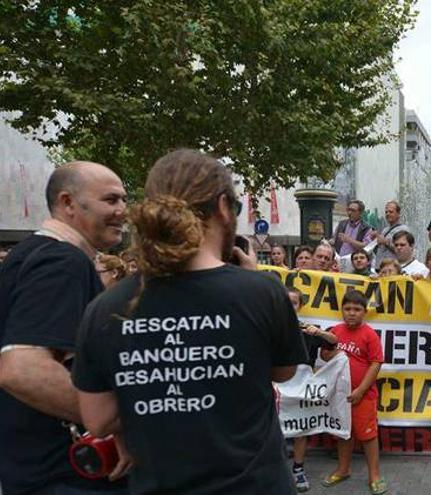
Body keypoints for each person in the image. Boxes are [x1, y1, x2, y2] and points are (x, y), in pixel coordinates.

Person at [71, 149, 309, 494]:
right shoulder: (260, 292)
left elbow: (97, 419)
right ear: (224, 208)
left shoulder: (105, 307)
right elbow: (284, 372)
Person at [0, 161, 129, 495]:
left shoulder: (31, 255)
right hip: (64, 477)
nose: (123, 211)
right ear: (68, 203)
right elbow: (21, 369)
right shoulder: (62, 262)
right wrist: (117, 424)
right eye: (111, 200)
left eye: (123, 200)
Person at [320, 291, 386, 495]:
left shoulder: (370, 334)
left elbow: (376, 364)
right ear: (342, 310)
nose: (351, 313)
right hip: (340, 395)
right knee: (343, 434)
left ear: (365, 312)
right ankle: (343, 469)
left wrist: (360, 390)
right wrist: (329, 350)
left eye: (357, 309)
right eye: (347, 309)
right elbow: (324, 356)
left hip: (363, 396)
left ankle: (374, 475)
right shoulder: (335, 331)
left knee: (368, 436)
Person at [286, 288, 337, 493]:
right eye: (286, 302)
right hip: (276, 387)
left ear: (301, 306)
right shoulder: (270, 328)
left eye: (294, 303)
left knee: (301, 429)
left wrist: (319, 332)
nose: (290, 307)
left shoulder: (309, 330)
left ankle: (298, 469)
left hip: (301, 387)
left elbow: (334, 342)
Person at [372, 201, 409, 270]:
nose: (388, 214)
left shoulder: (403, 229)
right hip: (380, 268)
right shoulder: (385, 230)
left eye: (391, 212)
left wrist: (385, 242)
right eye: (386, 212)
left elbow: (403, 251)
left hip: (392, 270)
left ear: (398, 214)